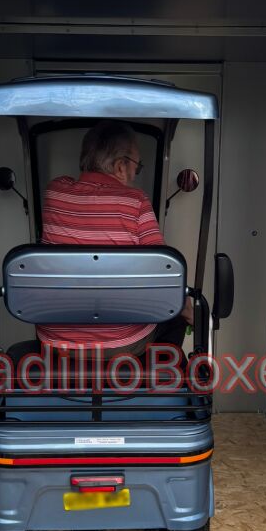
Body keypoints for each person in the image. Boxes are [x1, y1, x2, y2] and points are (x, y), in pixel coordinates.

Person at [37, 119, 192, 358]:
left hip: (56, 343)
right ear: (120, 166)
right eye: (137, 167)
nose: (134, 174)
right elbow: (164, 274)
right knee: (175, 318)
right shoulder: (136, 201)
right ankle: (155, 375)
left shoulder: (55, 191)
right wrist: (188, 309)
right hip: (120, 345)